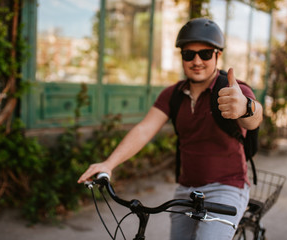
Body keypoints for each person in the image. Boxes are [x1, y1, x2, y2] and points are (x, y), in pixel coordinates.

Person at [78, 18, 263, 240]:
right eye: (188, 54)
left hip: (227, 187)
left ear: (217, 56)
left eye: (205, 54)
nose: (197, 61)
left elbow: (254, 119)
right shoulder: (173, 95)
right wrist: (109, 163)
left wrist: (246, 108)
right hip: (186, 189)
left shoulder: (233, 90)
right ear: (182, 57)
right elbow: (144, 129)